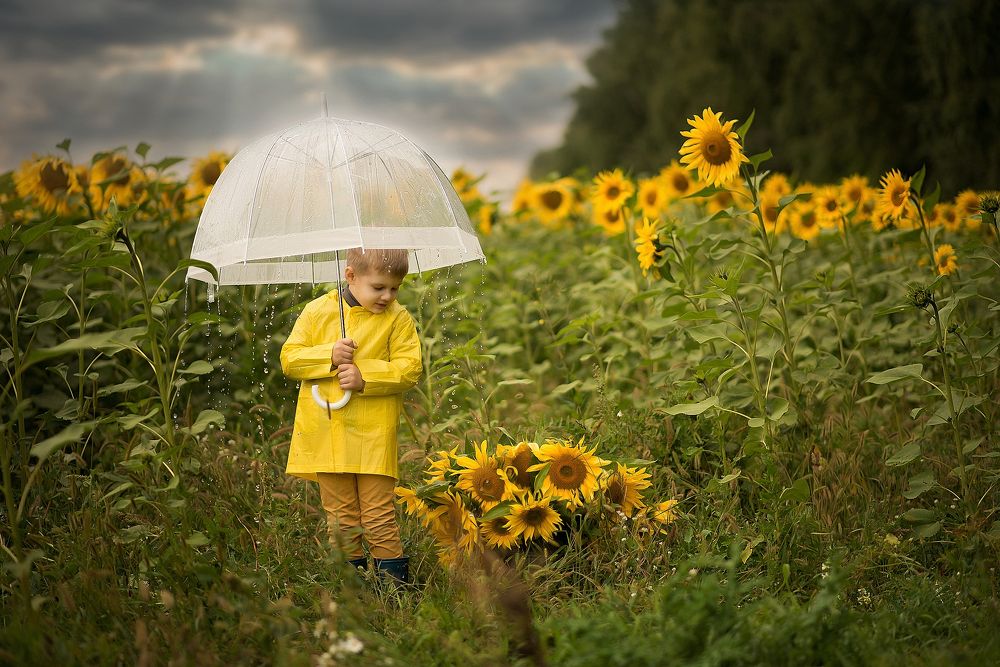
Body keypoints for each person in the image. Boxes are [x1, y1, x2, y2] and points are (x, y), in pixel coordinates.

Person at [280, 248, 422, 583]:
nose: (387, 296)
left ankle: (394, 590)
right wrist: (328, 354)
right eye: (378, 287)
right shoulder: (318, 312)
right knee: (341, 517)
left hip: (373, 433)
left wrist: (365, 377)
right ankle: (352, 592)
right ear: (350, 276)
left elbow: (409, 368)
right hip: (327, 429)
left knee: (378, 515)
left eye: (395, 288)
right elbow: (290, 359)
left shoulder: (397, 319)